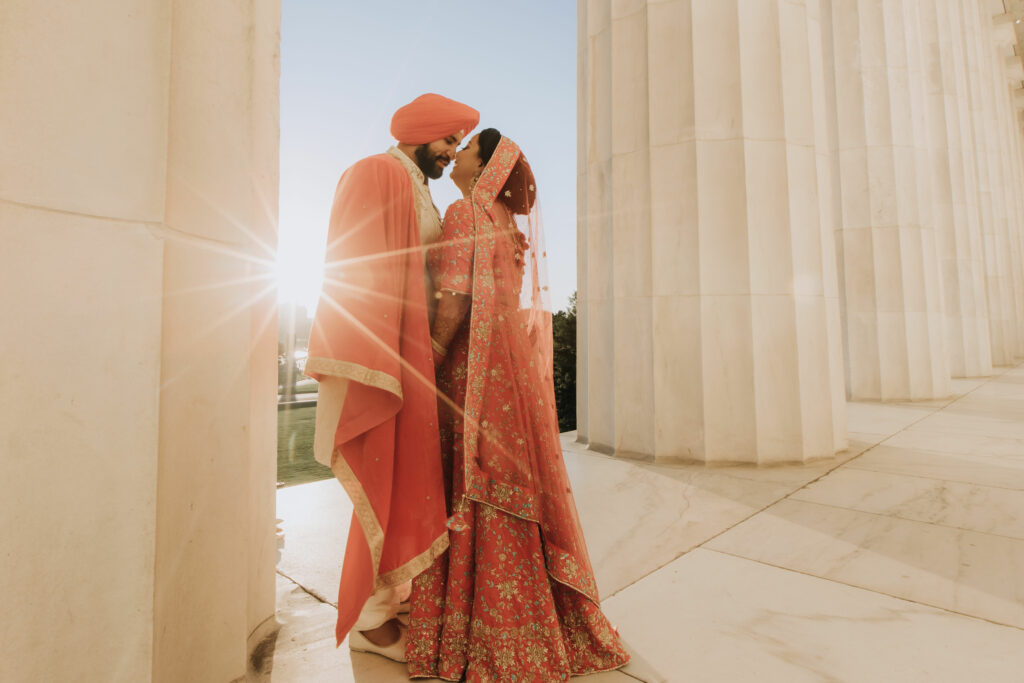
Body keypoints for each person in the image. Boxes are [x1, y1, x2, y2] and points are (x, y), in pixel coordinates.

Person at [406, 129, 630, 680]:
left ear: (485, 168)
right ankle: (533, 624)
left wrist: (430, 356)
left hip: (471, 376)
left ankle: (472, 630)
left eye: (468, 152)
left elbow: (456, 297)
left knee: (468, 481)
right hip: (511, 379)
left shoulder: (463, 214)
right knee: (507, 484)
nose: (456, 156)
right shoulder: (508, 228)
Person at [305, 93, 479, 661]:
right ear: (420, 133)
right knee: (381, 491)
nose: (452, 153)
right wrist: (393, 354)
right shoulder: (377, 172)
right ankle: (370, 623)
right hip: (379, 363)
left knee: (406, 484)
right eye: (448, 140)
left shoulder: (417, 185)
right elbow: (356, 265)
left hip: (410, 360)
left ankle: (393, 597)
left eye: (458, 143)